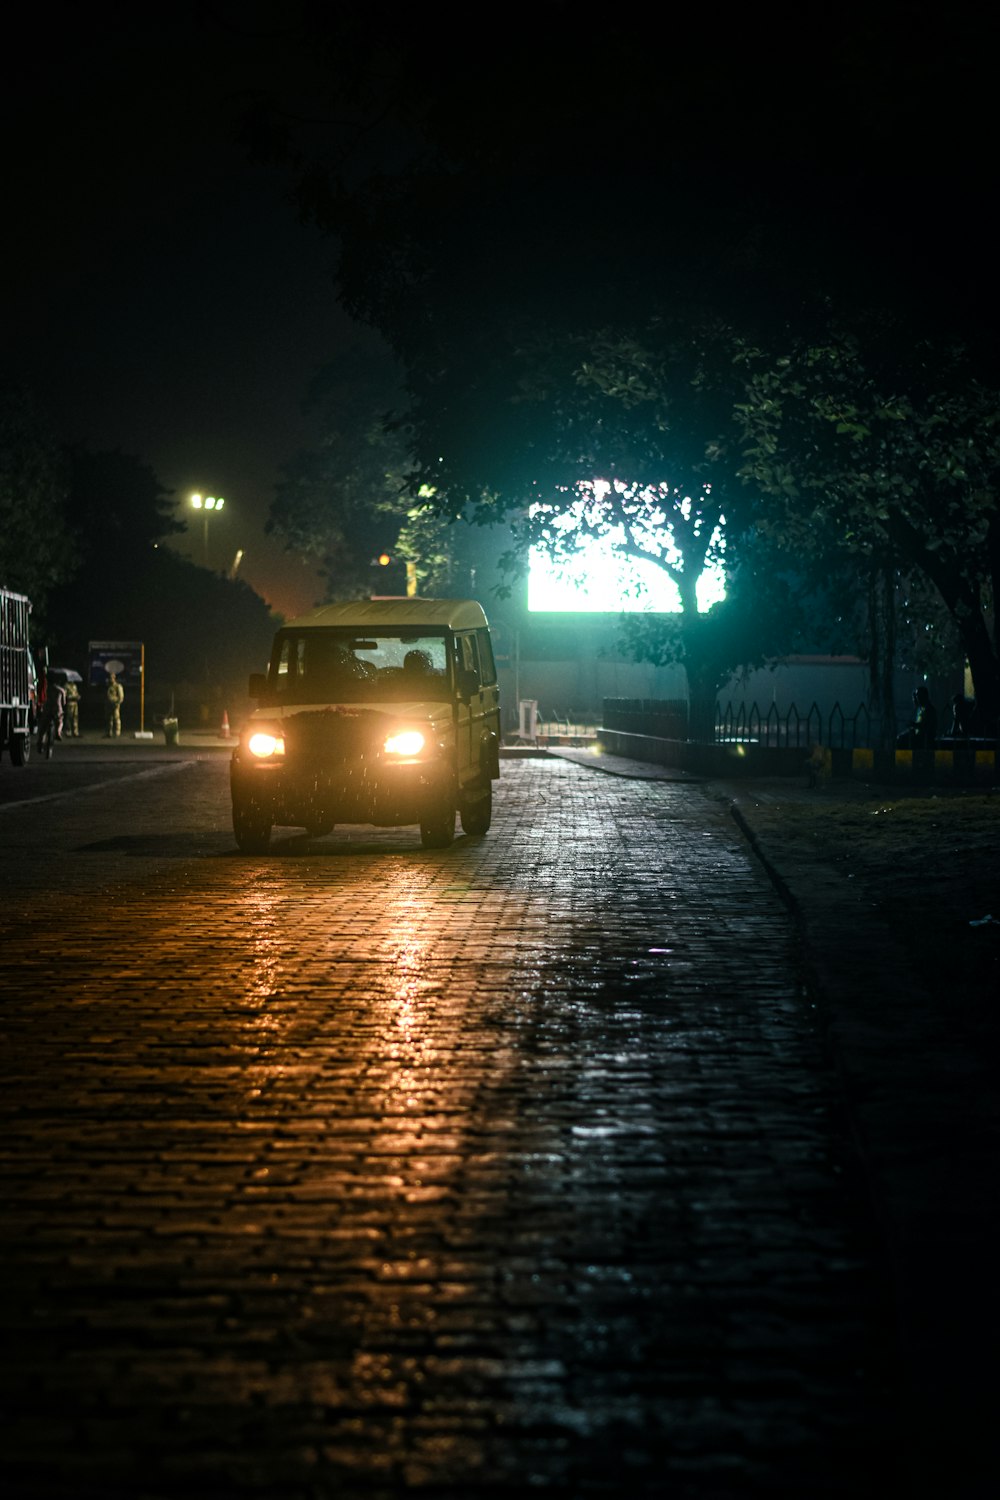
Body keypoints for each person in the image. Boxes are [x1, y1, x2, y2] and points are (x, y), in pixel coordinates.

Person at [37, 675, 66, 747]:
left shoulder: (46, 689)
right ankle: (58, 732)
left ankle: (41, 740)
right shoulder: (61, 690)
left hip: (47, 709)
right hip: (57, 710)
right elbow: (64, 702)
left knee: (43, 726)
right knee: (60, 721)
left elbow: (41, 698)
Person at [105, 672, 124, 737]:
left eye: (111, 678)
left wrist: (117, 703)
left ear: (114, 678)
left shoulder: (118, 686)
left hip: (115, 705)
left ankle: (117, 732)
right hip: (109, 705)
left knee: (116, 718)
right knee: (109, 719)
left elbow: (121, 697)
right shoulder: (109, 686)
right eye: (110, 678)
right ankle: (109, 732)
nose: (110, 679)